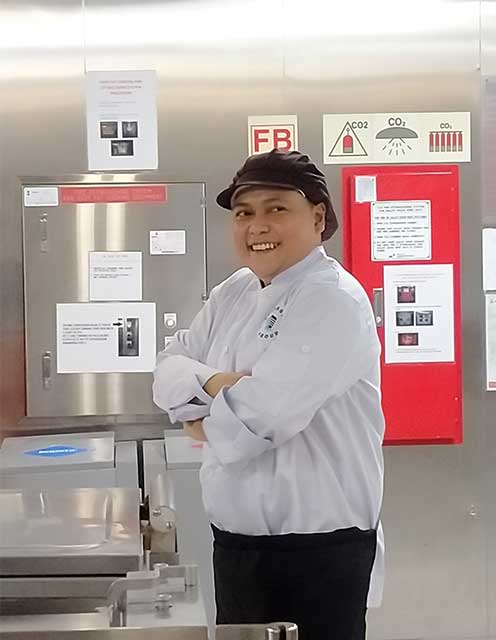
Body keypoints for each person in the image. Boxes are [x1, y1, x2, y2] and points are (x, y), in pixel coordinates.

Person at [152, 149, 385, 640]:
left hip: (318, 552)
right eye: (244, 212)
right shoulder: (234, 292)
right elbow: (166, 374)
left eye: (276, 208)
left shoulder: (332, 298)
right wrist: (220, 385)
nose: (257, 225)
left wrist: (206, 408)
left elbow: (257, 421)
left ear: (318, 216)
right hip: (237, 547)